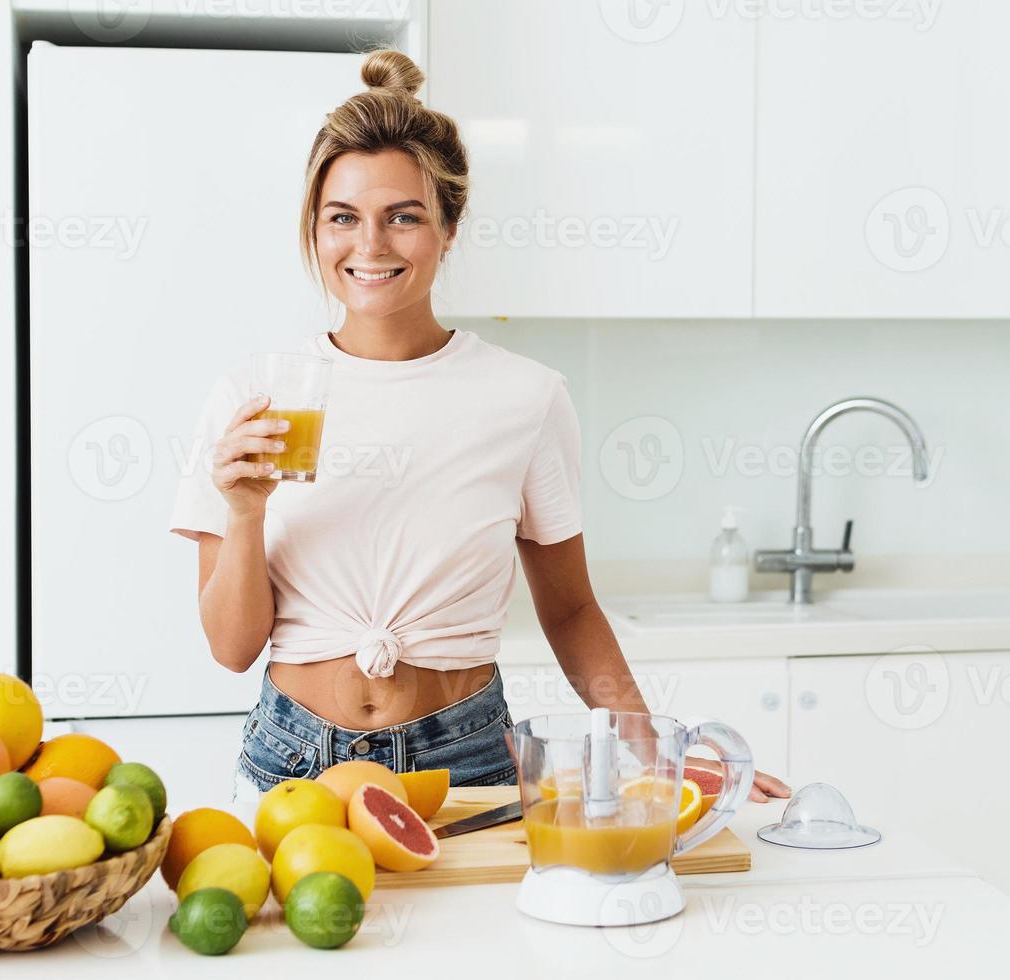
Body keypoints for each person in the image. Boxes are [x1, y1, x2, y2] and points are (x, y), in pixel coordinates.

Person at [170, 48, 790, 805]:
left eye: (405, 217)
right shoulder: (254, 396)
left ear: (449, 228)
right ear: (316, 229)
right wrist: (244, 513)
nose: (370, 246)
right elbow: (232, 651)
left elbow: (569, 609)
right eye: (343, 218)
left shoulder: (524, 398)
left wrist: (654, 755)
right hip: (295, 761)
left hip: (464, 759)